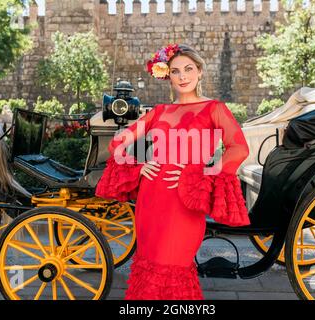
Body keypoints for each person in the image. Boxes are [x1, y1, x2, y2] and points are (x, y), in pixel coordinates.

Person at [95, 43, 250, 300]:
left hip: (185, 202)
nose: (183, 76)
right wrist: (141, 165)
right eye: (176, 71)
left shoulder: (214, 108)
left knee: (175, 266)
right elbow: (117, 144)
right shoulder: (159, 112)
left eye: (189, 69)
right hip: (151, 198)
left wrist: (202, 173)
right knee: (149, 266)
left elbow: (239, 149)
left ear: (199, 72)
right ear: (168, 76)